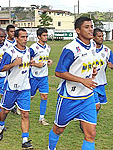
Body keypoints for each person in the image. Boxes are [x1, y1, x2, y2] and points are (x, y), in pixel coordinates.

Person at [48, 17, 97, 150]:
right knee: (58, 130)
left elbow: (83, 65)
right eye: (86, 27)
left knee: (91, 134)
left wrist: (91, 72)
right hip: (69, 97)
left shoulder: (92, 45)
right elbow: (59, 72)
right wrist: (83, 80)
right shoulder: (71, 49)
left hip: (87, 97)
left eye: (91, 26)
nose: (91, 29)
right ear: (78, 30)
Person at [0, 28, 33, 149]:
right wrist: (14, 63)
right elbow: (1, 68)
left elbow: (29, 63)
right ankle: (0, 126)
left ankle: (25, 140)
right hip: (11, 87)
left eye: (26, 37)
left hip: (25, 88)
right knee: (5, 111)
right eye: (22, 37)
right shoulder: (10, 52)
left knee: (25, 114)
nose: (25, 39)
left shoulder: (28, 50)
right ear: (16, 38)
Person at [30, 28, 52, 126]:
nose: (46, 37)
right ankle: (18, 107)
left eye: (46, 35)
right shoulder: (33, 48)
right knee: (30, 97)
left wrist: (49, 61)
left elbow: (45, 59)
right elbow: (28, 61)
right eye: (44, 35)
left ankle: (41, 118)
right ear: (39, 37)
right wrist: (36, 64)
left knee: (44, 96)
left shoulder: (48, 47)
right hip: (34, 76)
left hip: (44, 76)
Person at [93, 28, 113, 114]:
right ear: (93, 37)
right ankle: (87, 125)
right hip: (90, 83)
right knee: (96, 105)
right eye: (99, 36)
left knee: (98, 107)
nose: (101, 38)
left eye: (102, 36)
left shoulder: (107, 51)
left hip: (101, 83)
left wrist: (112, 66)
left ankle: (87, 125)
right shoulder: (88, 49)